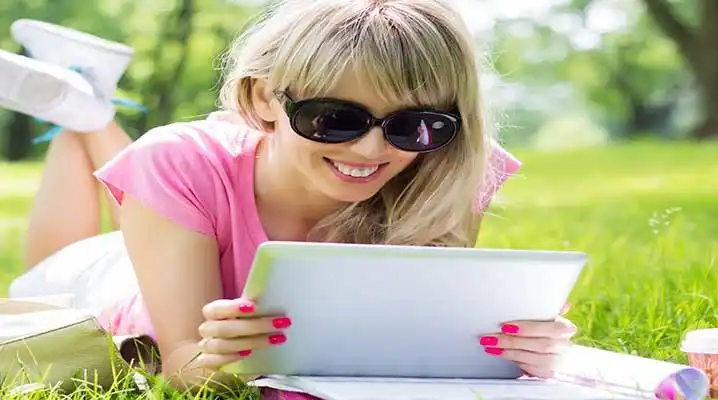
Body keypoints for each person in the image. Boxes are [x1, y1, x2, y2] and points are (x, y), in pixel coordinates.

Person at [0, 0, 578, 396]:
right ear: (262, 100)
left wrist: (515, 346)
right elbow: (182, 370)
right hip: (113, 276)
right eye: (334, 118)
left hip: (179, 213)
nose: (373, 150)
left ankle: (86, 97)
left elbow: (416, 339)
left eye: (413, 124)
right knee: (42, 285)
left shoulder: (449, 162)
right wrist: (220, 360)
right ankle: (83, 107)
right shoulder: (177, 161)